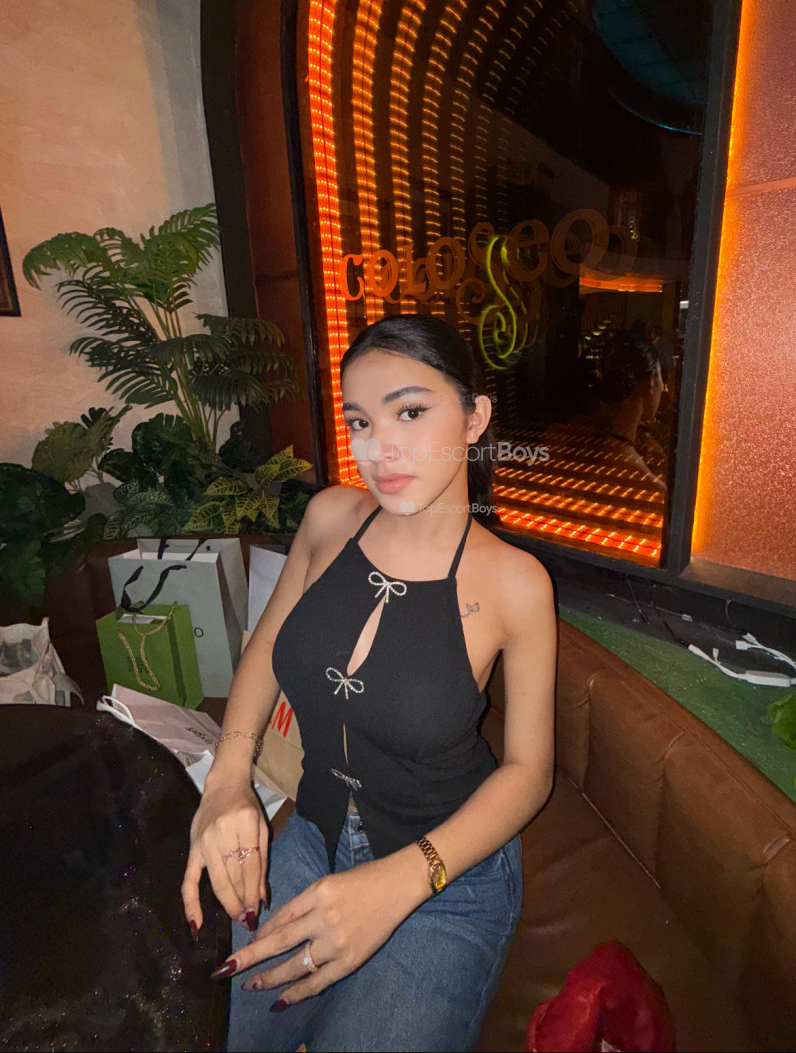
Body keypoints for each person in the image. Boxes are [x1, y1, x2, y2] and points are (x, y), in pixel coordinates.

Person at [181, 314, 557, 1053]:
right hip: (313, 835)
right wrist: (226, 782)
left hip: (447, 873)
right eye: (360, 421)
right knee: (214, 1034)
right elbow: (267, 647)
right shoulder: (329, 517)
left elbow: (529, 771)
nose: (380, 449)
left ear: (475, 418)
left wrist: (404, 881)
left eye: (409, 412)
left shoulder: (517, 583)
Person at [594, 328, 667, 493]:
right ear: (650, 383)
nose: (663, 388)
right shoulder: (650, 487)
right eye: (661, 378)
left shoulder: (600, 445)